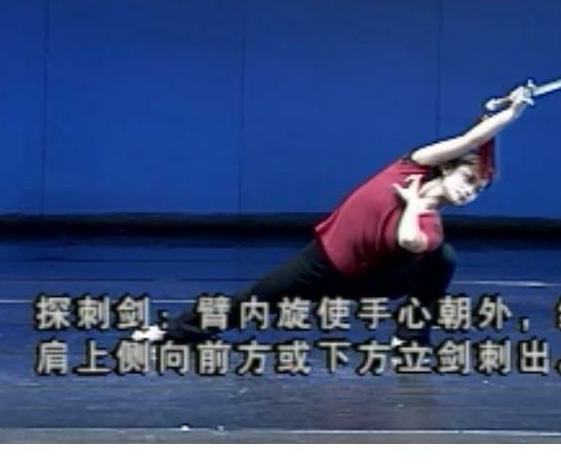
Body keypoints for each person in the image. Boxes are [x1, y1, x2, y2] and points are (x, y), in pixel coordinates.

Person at [133, 82, 535, 346]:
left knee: (443, 259)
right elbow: (470, 139)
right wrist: (509, 112)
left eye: (478, 190)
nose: (470, 192)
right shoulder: (410, 166)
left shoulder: (430, 226)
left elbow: (410, 240)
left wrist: (414, 206)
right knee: (254, 299)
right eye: (468, 180)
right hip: (321, 263)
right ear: (447, 167)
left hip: (365, 282)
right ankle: (172, 333)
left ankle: (411, 338)